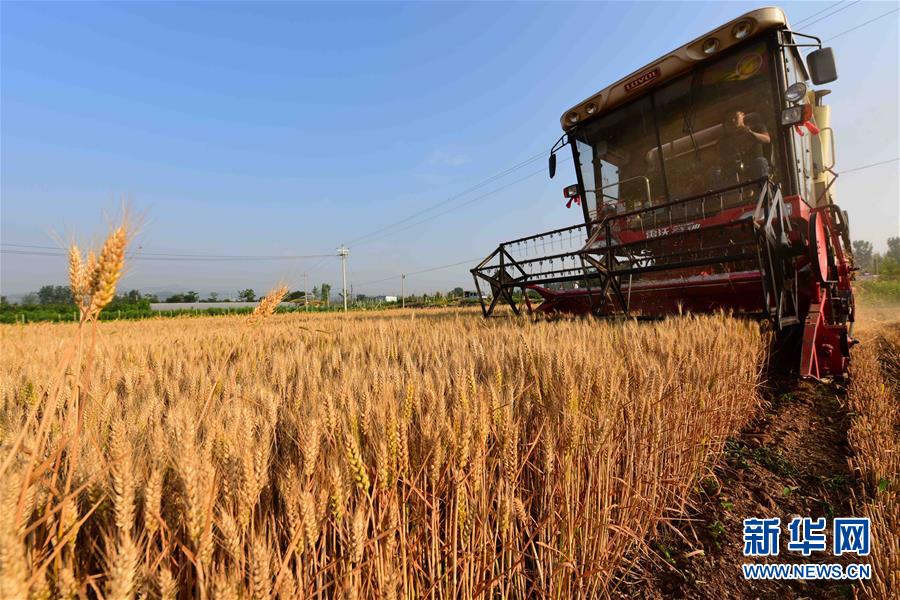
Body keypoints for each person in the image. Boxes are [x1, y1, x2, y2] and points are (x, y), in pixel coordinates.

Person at [713, 108, 772, 186]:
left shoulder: (757, 127)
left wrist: (751, 133)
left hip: (754, 165)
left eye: (735, 116)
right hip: (735, 169)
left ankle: (765, 189)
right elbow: (718, 157)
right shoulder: (725, 139)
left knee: (759, 162)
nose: (733, 120)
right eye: (730, 119)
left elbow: (767, 139)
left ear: (742, 115)